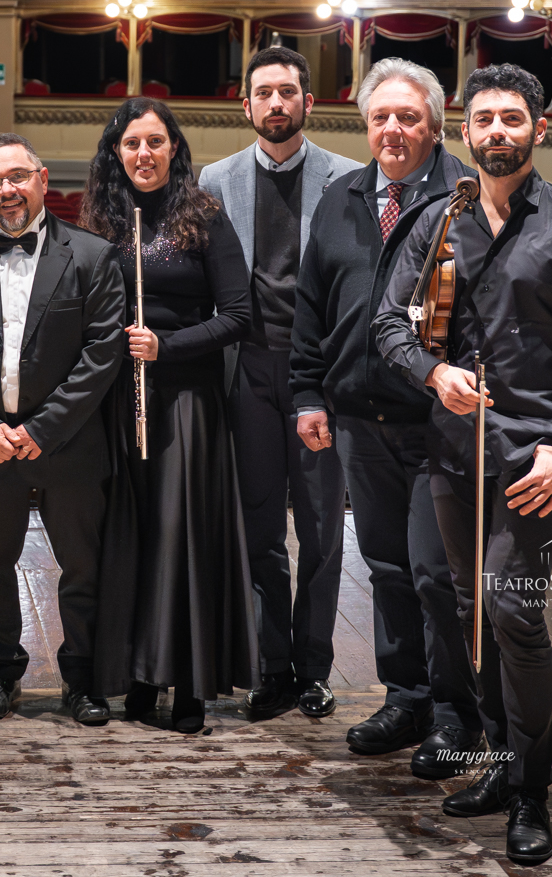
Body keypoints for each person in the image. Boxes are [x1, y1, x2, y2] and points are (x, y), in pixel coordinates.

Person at [373, 64, 552, 867]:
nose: (497, 132)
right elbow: (389, 325)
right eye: (483, 119)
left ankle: (530, 792)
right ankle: (498, 760)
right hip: (455, 450)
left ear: (538, 130)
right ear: (465, 132)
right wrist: (432, 373)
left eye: (512, 119)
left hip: (536, 455)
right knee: (470, 610)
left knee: (511, 608)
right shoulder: (438, 221)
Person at [289, 59, 483, 775]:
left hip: (440, 422)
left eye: (408, 116)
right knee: (386, 567)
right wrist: (308, 394)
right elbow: (310, 306)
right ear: (365, 125)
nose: (393, 129)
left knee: (437, 574)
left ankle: (457, 713)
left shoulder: (468, 198)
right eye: (380, 117)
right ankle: (406, 698)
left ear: (435, 124)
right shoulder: (341, 198)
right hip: (358, 419)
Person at [0, 133, 126, 725]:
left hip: (69, 443)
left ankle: (81, 679)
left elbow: (102, 353)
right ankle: (1, 671)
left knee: (82, 566)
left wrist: (44, 428)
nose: (6, 190)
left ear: (41, 179)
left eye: (17, 176)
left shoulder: (92, 254)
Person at [86, 97, 256, 735]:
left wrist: (167, 346)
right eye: (131, 143)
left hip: (186, 400)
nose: (144, 154)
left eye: (155, 142)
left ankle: (188, 685)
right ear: (116, 153)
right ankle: (137, 674)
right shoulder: (102, 220)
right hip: (118, 397)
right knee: (133, 536)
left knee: (181, 536)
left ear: (175, 149)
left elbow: (238, 315)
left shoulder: (203, 215)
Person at [197, 46, 357, 722]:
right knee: (259, 528)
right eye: (264, 93)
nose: (276, 103)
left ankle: (314, 668)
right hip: (248, 372)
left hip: (318, 375)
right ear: (247, 106)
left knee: (321, 531)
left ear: (307, 102)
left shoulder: (348, 179)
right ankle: (272, 667)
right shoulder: (215, 178)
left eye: (287, 92)